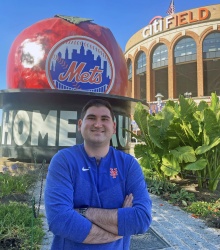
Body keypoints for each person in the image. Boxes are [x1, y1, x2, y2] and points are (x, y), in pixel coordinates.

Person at [44, 98, 152, 250]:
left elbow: (141, 219)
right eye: (91, 118)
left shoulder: (128, 165)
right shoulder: (64, 161)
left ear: (114, 127)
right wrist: (118, 229)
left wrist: (83, 212)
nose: (98, 124)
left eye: (104, 119)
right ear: (80, 125)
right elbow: (60, 220)